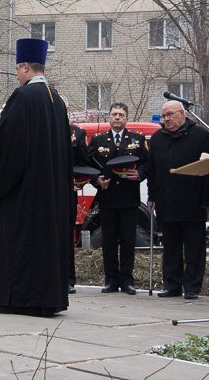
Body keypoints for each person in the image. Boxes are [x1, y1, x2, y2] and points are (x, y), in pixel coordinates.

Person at [0, 38, 72, 317]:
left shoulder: (22, 98)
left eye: (17, 69)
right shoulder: (56, 100)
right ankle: (46, 299)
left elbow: (8, 147)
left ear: (24, 67)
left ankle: (16, 299)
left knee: (20, 244)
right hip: (50, 193)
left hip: (23, 194)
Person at [142, 101, 209, 300]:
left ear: (182, 114)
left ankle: (192, 286)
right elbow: (152, 170)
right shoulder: (157, 138)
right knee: (171, 245)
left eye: (170, 115)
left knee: (194, 247)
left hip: (193, 201)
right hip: (166, 200)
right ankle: (171, 284)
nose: (166, 119)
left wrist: (208, 198)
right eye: (163, 116)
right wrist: (152, 196)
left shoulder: (200, 135)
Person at [88, 103, 148, 295]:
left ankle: (127, 281)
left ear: (126, 118)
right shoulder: (98, 141)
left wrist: (139, 174)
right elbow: (88, 165)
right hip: (108, 197)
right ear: (109, 117)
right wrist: (97, 181)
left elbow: (147, 164)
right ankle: (110, 280)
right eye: (114, 114)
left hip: (129, 199)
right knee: (109, 240)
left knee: (128, 240)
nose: (117, 117)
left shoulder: (137, 140)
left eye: (121, 114)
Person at [68, 122, 90, 294]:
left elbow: (84, 163)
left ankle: (67, 279)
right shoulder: (40, 127)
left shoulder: (77, 133)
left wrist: (79, 182)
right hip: (42, 192)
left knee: (66, 237)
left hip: (67, 193)